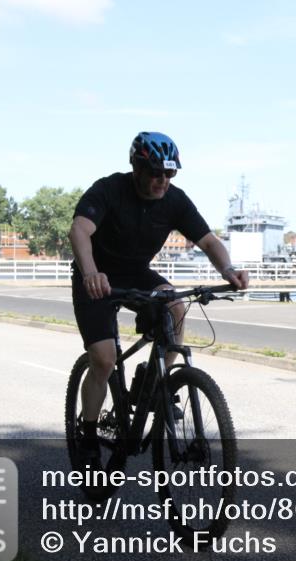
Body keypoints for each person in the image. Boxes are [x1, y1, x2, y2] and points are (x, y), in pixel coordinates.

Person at [68, 131, 250, 462]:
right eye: (155, 173)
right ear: (136, 167)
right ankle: (89, 433)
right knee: (104, 360)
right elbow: (79, 230)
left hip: (136, 273)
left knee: (176, 305)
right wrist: (91, 272)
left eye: (169, 173)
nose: (162, 181)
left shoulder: (175, 200)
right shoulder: (109, 189)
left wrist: (228, 271)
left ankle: (153, 386)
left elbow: (208, 241)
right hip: (95, 276)